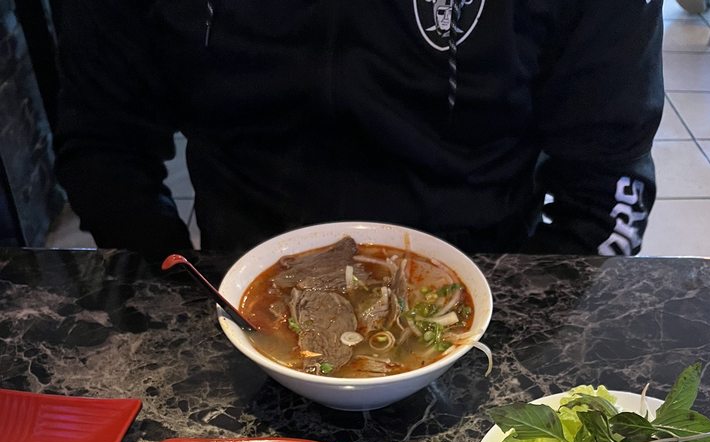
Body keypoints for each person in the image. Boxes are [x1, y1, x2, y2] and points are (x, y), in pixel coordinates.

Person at [52, 1, 664, 260]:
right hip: (239, 270)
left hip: (488, 271)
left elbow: (608, 175)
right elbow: (105, 138)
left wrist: (524, 322)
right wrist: (181, 290)